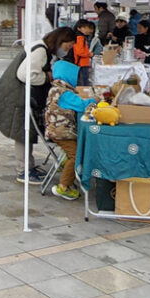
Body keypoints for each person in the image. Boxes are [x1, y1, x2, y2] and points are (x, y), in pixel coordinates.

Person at [0, 27, 76, 185]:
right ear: (60, 41)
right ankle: (23, 171)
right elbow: (25, 75)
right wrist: (48, 77)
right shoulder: (40, 51)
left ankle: (28, 167)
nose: (67, 50)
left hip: (21, 95)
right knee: (22, 133)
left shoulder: (41, 47)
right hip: (19, 96)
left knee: (26, 133)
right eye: (68, 46)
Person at [45, 60, 96, 201]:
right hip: (62, 132)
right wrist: (96, 100)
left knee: (74, 152)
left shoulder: (56, 89)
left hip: (56, 129)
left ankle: (63, 164)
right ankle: (64, 186)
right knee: (77, 156)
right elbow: (81, 105)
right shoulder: (64, 93)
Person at [69, 19, 94, 86]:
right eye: (85, 27)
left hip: (83, 63)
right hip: (81, 63)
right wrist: (89, 54)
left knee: (83, 82)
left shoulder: (81, 37)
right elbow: (79, 51)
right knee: (83, 83)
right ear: (79, 28)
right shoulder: (80, 38)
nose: (87, 30)